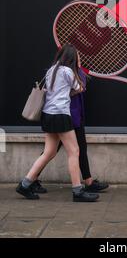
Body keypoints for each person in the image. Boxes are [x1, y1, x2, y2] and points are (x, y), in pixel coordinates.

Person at [16, 44, 99, 202]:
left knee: (49, 152)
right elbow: (79, 87)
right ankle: (78, 191)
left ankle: (25, 184)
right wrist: (78, 71)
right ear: (73, 58)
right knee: (74, 152)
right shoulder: (68, 71)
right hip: (61, 114)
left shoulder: (51, 70)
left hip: (48, 114)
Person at [31, 68, 109, 195]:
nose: (78, 59)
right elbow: (78, 88)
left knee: (55, 151)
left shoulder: (66, 71)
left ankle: (28, 181)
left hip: (70, 114)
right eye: (76, 57)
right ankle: (81, 187)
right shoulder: (65, 72)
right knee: (66, 151)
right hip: (67, 115)